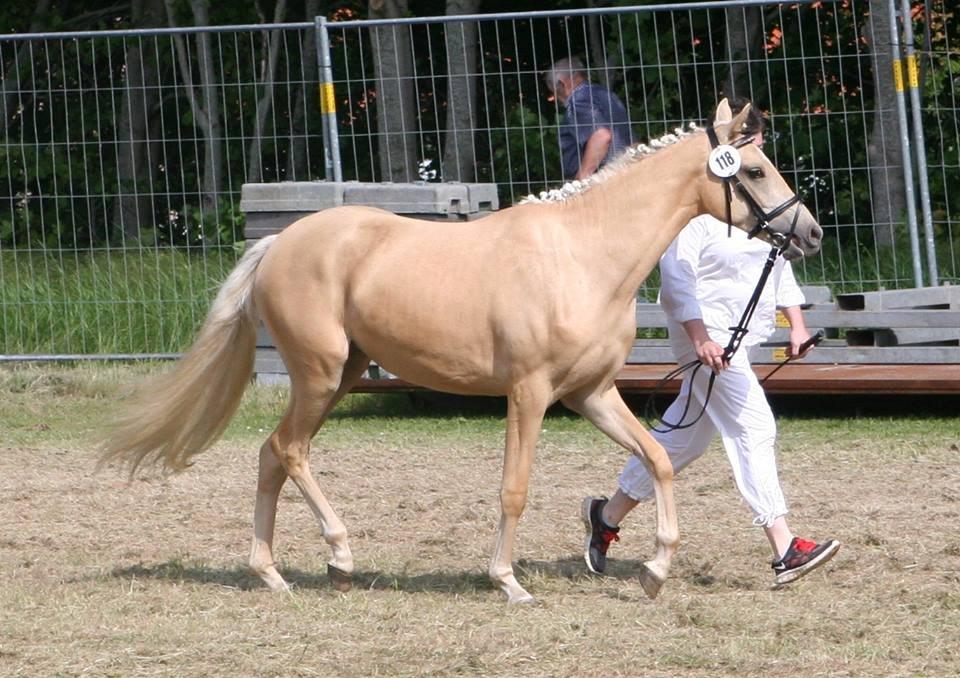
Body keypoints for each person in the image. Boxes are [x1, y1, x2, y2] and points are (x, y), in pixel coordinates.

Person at [581, 101, 840, 589]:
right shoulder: (701, 208)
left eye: (757, 146)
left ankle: (606, 516)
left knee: (685, 439)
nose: (756, 154)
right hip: (705, 337)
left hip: (739, 336)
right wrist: (700, 338)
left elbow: (777, 262)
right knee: (753, 425)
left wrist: (797, 324)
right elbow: (677, 279)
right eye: (749, 146)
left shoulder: (754, 205)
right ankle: (785, 547)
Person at [544, 57, 633, 180]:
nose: (555, 97)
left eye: (554, 91)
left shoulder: (577, 102)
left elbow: (601, 137)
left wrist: (580, 182)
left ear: (562, 83)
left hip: (602, 180)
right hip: (626, 172)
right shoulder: (605, 94)